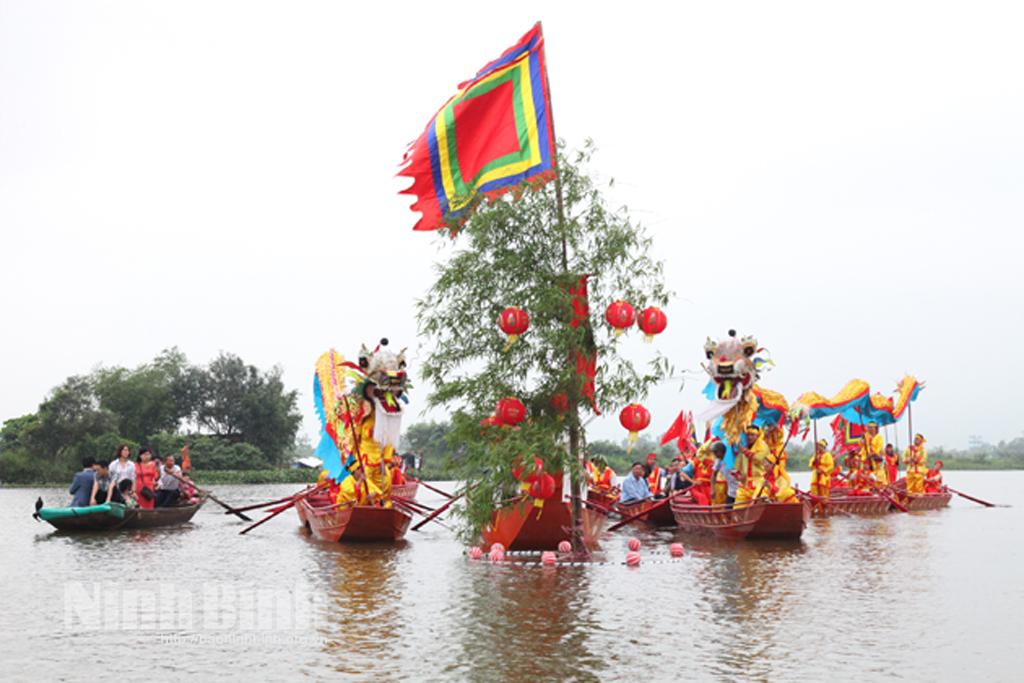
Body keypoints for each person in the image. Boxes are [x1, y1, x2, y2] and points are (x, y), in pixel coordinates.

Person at [734, 425, 770, 507]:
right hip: (745, 484)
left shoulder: (763, 447)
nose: (749, 437)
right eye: (748, 435)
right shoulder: (744, 449)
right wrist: (737, 475)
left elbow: (758, 458)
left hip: (759, 483)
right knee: (737, 507)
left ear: (757, 436)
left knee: (757, 501)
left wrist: (745, 451)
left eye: (752, 435)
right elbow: (737, 466)